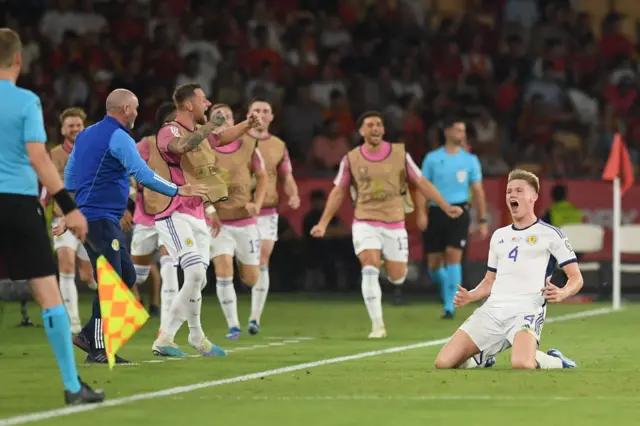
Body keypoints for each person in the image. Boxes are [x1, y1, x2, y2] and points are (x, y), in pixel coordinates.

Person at [59, 88, 207, 364]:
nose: (137, 114)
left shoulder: (86, 135)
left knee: (126, 277)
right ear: (126, 109)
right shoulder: (120, 137)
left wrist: (79, 202)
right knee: (112, 282)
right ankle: (100, 349)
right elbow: (142, 174)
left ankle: (89, 334)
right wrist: (178, 190)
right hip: (101, 218)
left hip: (96, 217)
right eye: (136, 108)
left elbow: (69, 178)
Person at [0, 27, 103, 403]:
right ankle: (73, 387)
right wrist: (70, 208)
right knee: (48, 293)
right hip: (17, 203)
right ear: (18, 60)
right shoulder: (26, 101)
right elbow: (39, 157)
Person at [310, 111, 462, 338]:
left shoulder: (400, 154)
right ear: (361, 131)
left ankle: (384, 262)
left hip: (394, 224)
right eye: (370, 125)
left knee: (397, 276)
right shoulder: (351, 158)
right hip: (365, 222)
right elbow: (338, 191)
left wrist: (444, 205)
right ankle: (377, 325)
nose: (375, 128)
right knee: (369, 266)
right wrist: (323, 223)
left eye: (379, 124)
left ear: (383, 129)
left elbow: (421, 182)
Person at [149, 83, 261, 357]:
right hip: (174, 212)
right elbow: (182, 146)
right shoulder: (170, 130)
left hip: (197, 213)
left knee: (198, 279)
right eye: (203, 99)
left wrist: (247, 124)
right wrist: (211, 125)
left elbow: (220, 139)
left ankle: (197, 337)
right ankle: (168, 338)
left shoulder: (199, 132)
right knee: (196, 273)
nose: (208, 103)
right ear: (189, 105)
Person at [434, 169, 582, 370]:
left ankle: (557, 361)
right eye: (509, 191)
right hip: (493, 310)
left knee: (521, 363)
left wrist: (563, 291)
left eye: (519, 191)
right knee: (444, 363)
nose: (512, 195)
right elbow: (490, 281)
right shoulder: (499, 236)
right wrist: (471, 296)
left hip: (526, 310)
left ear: (533, 197)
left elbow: (576, 277)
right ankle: (481, 358)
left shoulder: (551, 234)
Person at [416, 118, 489, 319]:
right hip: (436, 211)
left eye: (463, 131)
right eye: (457, 130)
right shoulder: (432, 158)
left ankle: (450, 305)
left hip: (459, 210)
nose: (461, 134)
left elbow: (478, 191)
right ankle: (448, 294)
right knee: (434, 265)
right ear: (447, 132)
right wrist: (421, 213)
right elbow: (422, 186)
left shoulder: (470, 160)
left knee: (453, 255)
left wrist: (481, 219)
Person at [207, 103, 268, 339]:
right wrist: (209, 209)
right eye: (217, 116)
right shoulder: (205, 149)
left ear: (235, 121)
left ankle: (251, 314)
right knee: (223, 270)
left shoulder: (250, 147)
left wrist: (257, 204)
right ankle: (233, 326)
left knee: (251, 278)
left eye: (227, 116)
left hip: (245, 223)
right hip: (219, 223)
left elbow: (262, 177)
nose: (223, 119)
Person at [245, 99, 300, 335]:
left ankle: (254, 317)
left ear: (272, 117)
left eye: (265, 111)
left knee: (262, 260)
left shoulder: (278, 145)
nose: (260, 114)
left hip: (267, 210)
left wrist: (294, 194)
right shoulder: (235, 141)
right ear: (248, 115)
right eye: (256, 110)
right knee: (230, 263)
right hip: (237, 211)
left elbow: (286, 175)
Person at [41, 107, 96, 333]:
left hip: (89, 219)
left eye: (78, 125)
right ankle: (73, 324)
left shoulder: (93, 152)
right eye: (70, 125)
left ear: (84, 128)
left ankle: (113, 305)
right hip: (61, 220)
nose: (74, 129)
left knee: (88, 276)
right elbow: (46, 188)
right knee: (66, 265)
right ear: (63, 129)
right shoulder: (53, 155)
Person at [130, 102, 178, 330]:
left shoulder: (187, 146)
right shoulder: (146, 145)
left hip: (174, 215)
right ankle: (129, 308)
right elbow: (126, 170)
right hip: (145, 216)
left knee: (170, 265)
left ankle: (167, 324)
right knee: (136, 275)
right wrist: (131, 193)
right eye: (171, 120)